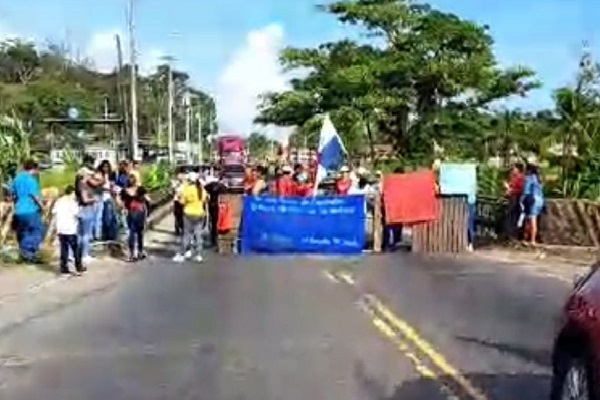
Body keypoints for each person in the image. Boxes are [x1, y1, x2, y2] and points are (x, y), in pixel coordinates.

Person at [11, 159, 44, 262]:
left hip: (19, 210)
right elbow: (35, 196)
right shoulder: (31, 180)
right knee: (37, 231)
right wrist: (42, 207)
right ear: (33, 169)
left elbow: (13, 195)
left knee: (23, 232)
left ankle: (24, 253)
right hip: (30, 210)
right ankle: (28, 253)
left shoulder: (16, 179)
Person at [173, 172, 208, 262]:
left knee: (187, 234)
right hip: (200, 213)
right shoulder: (201, 189)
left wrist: (179, 196)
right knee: (198, 234)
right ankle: (199, 255)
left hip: (188, 214)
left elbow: (182, 202)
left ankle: (182, 254)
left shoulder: (188, 189)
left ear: (189, 180)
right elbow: (205, 200)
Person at [53, 185, 84, 275]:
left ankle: (64, 267)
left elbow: (54, 212)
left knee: (64, 249)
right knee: (76, 249)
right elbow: (77, 213)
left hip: (61, 228)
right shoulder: (72, 202)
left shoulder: (59, 201)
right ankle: (79, 266)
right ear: (72, 193)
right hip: (70, 228)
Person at [119, 173, 150, 261]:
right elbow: (148, 200)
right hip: (140, 211)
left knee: (132, 232)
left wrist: (124, 208)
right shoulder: (141, 189)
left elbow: (122, 201)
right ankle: (140, 252)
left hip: (131, 212)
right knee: (139, 232)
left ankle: (133, 254)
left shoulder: (125, 190)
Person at [75, 167, 97, 264]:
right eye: (88, 175)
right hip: (86, 210)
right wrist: (94, 199)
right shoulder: (83, 185)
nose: (90, 176)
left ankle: (79, 253)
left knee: (80, 234)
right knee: (85, 234)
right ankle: (84, 254)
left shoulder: (80, 184)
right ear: (84, 175)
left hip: (81, 210)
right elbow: (85, 200)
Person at [521, 163, 544, 245]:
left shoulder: (529, 178)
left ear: (529, 170)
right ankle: (529, 239)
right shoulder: (539, 179)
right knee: (533, 219)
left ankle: (531, 240)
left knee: (530, 220)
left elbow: (526, 191)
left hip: (532, 200)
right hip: (540, 200)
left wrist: (521, 200)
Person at [504, 162, 525, 241]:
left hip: (516, 198)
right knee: (510, 215)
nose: (513, 170)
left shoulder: (520, 178)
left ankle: (513, 233)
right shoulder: (513, 177)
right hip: (512, 197)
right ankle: (509, 233)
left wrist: (510, 190)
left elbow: (520, 189)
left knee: (513, 215)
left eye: (514, 168)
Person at [204, 174, 227, 248]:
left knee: (213, 222)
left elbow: (205, 189)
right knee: (218, 222)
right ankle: (217, 238)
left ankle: (213, 238)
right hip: (219, 206)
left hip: (212, 205)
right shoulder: (222, 187)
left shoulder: (210, 185)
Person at [172, 167, 187, 236]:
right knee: (177, 215)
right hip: (177, 200)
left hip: (184, 201)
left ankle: (183, 227)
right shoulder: (175, 183)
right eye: (180, 175)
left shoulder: (186, 182)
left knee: (183, 215)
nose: (181, 176)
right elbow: (173, 191)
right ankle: (177, 228)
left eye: (182, 175)